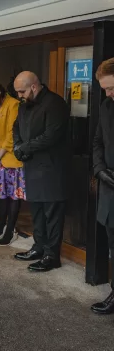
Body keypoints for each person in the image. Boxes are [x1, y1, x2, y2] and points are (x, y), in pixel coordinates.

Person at [13, 71, 70, 272]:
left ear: (34, 87)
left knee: (52, 215)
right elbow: (16, 127)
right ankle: (38, 248)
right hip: (32, 166)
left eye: (22, 91)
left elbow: (51, 136)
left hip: (52, 169)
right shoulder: (24, 104)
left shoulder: (55, 103)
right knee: (36, 212)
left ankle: (52, 256)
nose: (19, 95)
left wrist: (24, 148)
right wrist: (18, 146)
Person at [0, 80, 26, 246]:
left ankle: (10, 230)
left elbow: (12, 133)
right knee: (1, 197)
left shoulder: (13, 105)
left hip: (9, 159)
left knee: (13, 197)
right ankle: (0, 228)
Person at [91, 57, 114, 314]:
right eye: (105, 89)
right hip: (110, 188)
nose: (108, 93)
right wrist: (99, 170)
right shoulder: (107, 107)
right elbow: (97, 141)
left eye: (112, 88)